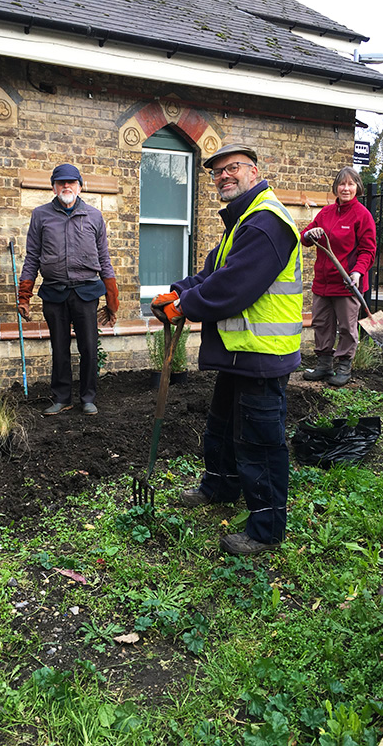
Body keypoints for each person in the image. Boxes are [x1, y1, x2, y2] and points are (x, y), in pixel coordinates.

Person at [151, 143, 303, 556]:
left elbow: (233, 286)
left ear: (254, 171)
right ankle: (219, 487)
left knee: (259, 440)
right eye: (217, 172)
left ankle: (266, 529)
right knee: (220, 425)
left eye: (232, 168)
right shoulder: (241, 221)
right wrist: (177, 292)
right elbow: (212, 271)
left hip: (263, 353)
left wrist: (186, 305)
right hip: (240, 351)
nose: (223, 176)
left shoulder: (266, 222)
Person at [17, 163, 119, 416]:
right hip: (54, 292)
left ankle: (88, 398)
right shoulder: (40, 215)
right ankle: (61, 398)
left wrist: (112, 300)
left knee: (89, 346)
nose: (66, 186)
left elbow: (104, 259)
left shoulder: (94, 216)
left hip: (86, 292)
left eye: (71, 182)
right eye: (61, 182)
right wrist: (24, 296)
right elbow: (32, 257)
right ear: (53, 187)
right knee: (59, 347)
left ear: (80, 186)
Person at [301, 167, 376, 387]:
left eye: (351, 184)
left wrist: (357, 271)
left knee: (346, 327)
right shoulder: (326, 213)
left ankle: (344, 367)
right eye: (342, 184)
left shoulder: (362, 215)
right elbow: (305, 237)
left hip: (347, 283)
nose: (346, 188)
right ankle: (324, 365)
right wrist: (309, 234)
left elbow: (368, 250)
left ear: (357, 188)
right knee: (322, 324)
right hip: (322, 284)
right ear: (336, 187)